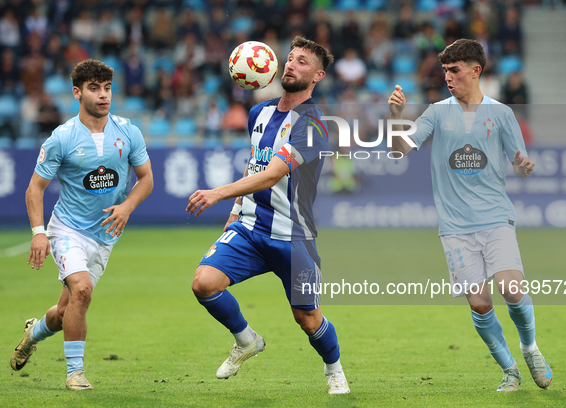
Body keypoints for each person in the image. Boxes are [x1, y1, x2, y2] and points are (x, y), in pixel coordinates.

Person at [186, 36, 350, 395]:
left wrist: (217, 193)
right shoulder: (258, 113)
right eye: (290, 59)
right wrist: (233, 210)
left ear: (318, 75)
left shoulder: (316, 125)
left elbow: (275, 172)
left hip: (293, 235)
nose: (291, 65)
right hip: (249, 227)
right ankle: (246, 340)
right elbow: (254, 164)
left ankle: (334, 369)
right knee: (203, 283)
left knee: (307, 318)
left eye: (303, 62)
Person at [388, 39, 552, 392]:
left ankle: (530, 347)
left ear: (476, 71)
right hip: (455, 228)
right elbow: (400, 150)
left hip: (495, 219)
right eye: (445, 71)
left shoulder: (502, 114)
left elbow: (520, 165)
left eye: (455, 70)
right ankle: (510, 370)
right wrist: (396, 117)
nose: (448, 77)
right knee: (480, 305)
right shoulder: (435, 112)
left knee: (511, 288)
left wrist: (524, 166)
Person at [11, 59, 153, 391]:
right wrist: (38, 233)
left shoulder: (128, 131)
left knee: (65, 313)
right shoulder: (62, 138)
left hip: (104, 237)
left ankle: (33, 334)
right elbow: (35, 188)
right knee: (82, 289)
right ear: (77, 93)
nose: (103, 95)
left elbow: (146, 179)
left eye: (107, 88)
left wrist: (127, 206)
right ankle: (75, 373)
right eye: (94, 88)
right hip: (68, 230)